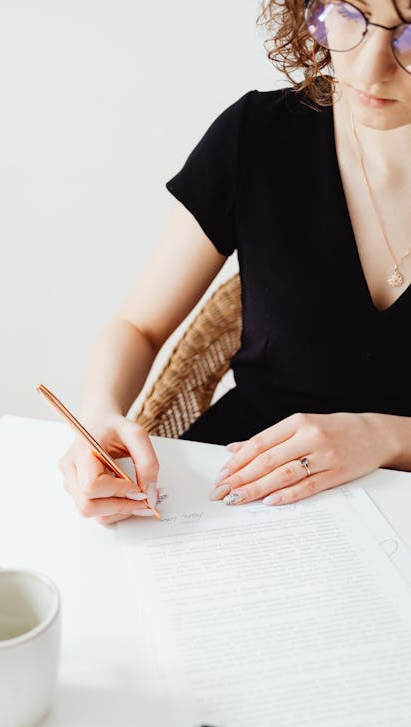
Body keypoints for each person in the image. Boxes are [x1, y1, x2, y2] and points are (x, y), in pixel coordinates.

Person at [59, 0, 411, 525]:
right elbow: (139, 325)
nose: (367, 65)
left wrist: (385, 437)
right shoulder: (258, 135)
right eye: (349, 12)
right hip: (233, 487)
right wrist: (99, 416)